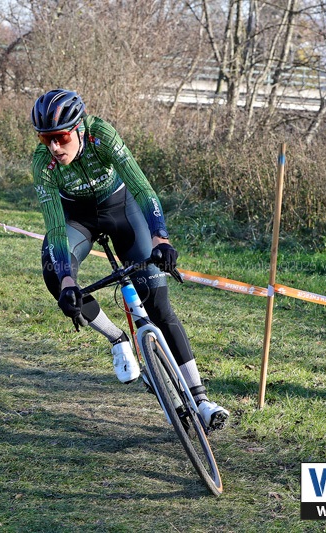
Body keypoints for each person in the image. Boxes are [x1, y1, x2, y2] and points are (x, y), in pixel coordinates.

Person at [30, 89, 229, 431]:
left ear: (78, 129)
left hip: (121, 210)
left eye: (61, 137)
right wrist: (67, 281)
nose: (54, 148)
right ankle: (117, 339)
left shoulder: (101, 135)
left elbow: (142, 187)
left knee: (158, 305)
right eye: (45, 139)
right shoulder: (42, 164)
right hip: (77, 220)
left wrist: (160, 238)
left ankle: (201, 400)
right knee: (54, 273)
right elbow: (56, 226)